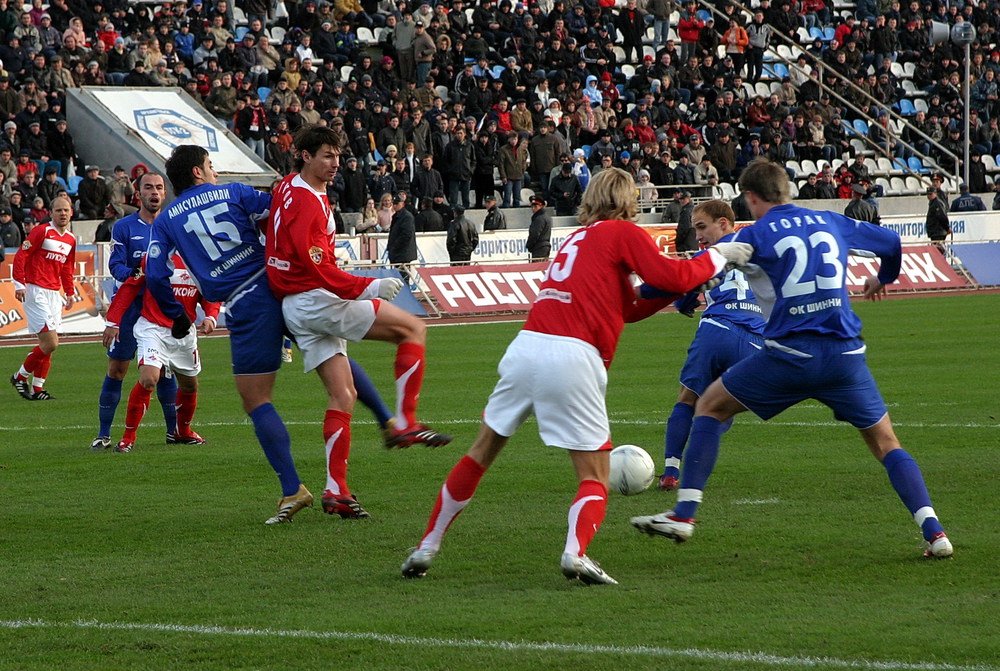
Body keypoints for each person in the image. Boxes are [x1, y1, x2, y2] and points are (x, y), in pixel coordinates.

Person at [400, 168, 752, 584]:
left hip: (526, 346)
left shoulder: (577, 238)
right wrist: (718, 256)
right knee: (595, 475)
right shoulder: (622, 232)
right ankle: (575, 553)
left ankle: (427, 545)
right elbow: (670, 275)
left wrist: (678, 290)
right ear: (627, 200)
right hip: (574, 355)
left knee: (480, 453)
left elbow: (627, 307)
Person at [631, 158, 954, 560]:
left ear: (751, 197)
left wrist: (635, 292)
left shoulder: (751, 236)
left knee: (709, 405)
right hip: (845, 357)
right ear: (786, 189)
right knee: (886, 442)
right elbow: (891, 243)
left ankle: (684, 513)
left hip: (789, 355)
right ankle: (935, 532)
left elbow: (687, 276)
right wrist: (882, 278)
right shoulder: (830, 221)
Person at [264, 125, 452, 518]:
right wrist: (368, 286)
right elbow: (318, 268)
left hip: (296, 307)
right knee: (413, 328)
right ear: (305, 156)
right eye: (327, 156)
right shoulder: (308, 202)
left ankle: (337, 490)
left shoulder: (287, 186)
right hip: (316, 298)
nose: (335, 163)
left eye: (338, 156)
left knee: (343, 395)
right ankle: (405, 422)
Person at [145, 145, 311, 525]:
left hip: (245, 300)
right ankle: (384, 431)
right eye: (210, 165)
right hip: (282, 283)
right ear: (198, 172)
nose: (214, 171)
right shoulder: (234, 191)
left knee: (255, 398)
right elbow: (280, 209)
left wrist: (177, 315)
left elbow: (154, 274)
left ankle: (293, 488)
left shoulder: (166, 219)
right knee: (333, 362)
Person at [650, 200, 765, 491]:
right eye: (695, 229)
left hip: (717, 330)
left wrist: (686, 303)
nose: (698, 236)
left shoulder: (709, 256)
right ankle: (694, 473)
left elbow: (685, 294)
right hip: (756, 342)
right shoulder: (759, 250)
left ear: (723, 223)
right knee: (720, 411)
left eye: (702, 227)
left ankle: (671, 472)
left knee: (686, 398)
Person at [90, 172, 182, 451]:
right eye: (148, 187)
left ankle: (174, 431)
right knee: (117, 369)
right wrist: (135, 273)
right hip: (130, 309)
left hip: (160, 308)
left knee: (165, 371)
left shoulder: (174, 226)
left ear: (164, 193)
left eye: (159, 187)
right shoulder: (124, 227)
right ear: (138, 194)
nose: (154, 192)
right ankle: (104, 434)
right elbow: (115, 265)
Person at [101, 252, 220, 452]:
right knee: (149, 378)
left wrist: (211, 316)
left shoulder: (199, 256)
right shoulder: (153, 257)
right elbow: (130, 287)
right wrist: (113, 321)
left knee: (190, 386)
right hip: (152, 328)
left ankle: (183, 432)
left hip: (183, 331)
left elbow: (210, 293)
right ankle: (128, 438)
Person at [9, 195, 75, 401]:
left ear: (71, 213)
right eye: (58, 210)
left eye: (66, 210)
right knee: (51, 342)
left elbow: (67, 268)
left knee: (48, 344)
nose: (63, 214)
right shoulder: (42, 231)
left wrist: (70, 292)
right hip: (36, 290)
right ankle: (20, 376)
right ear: (51, 213)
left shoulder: (70, 239)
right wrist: (19, 284)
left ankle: (38, 389)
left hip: (54, 294)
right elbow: (21, 255)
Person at [387, 192, 417, 282]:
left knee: (403, 279)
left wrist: (395, 247)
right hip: (398, 254)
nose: (394, 206)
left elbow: (406, 235)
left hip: (403, 254)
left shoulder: (407, 217)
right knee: (397, 279)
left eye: (397, 204)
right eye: (393, 204)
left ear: (402, 204)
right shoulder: (396, 216)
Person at [526, 195, 552, 262]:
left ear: (541, 206)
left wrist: (529, 245)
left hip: (539, 247)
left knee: (537, 266)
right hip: (544, 246)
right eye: (532, 206)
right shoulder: (546, 217)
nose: (533, 208)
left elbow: (534, 234)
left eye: (535, 206)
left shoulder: (539, 218)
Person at [925, 186, 951, 251]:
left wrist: (947, 228)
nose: (929, 196)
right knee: (936, 251)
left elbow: (942, 217)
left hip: (938, 232)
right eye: (928, 194)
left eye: (931, 194)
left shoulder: (937, 203)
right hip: (935, 232)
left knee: (938, 251)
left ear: (935, 194)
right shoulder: (932, 203)